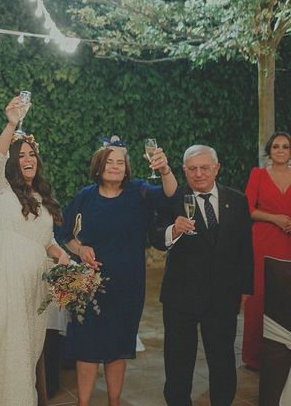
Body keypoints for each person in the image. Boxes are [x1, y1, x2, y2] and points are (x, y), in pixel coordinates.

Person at [55, 135, 177, 406]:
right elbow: (63, 232)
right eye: (109, 162)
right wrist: (80, 249)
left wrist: (165, 170)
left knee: (118, 347)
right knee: (86, 348)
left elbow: (170, 195)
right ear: (99, 167)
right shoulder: (85, 197)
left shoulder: (139, 192)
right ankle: (83, 403)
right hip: (88, 285)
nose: (115, 167)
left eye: (120, 162)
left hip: (127, 286)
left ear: (127, 168)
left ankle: (114, 402)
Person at [0, 97, 71, 406]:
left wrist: (70, 265)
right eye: (21, 155)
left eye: (32, 154)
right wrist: (12, 124)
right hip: (4, 280)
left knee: (26, 353)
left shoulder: (42, 196)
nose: (28, 159)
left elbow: (48, 242)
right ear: (13, 162)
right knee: (3, 349)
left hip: (34, 287)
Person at [152, 144, 254, 406]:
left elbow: (245, 248)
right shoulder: (172, 197)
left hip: (222, 297)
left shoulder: (238, 200)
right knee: (178, 362)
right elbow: (155, 237)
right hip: (181, 297)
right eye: (192, 169)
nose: (199, 174)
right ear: (184, 171)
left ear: (216, 168)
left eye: (204, 168)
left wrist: (245, 290)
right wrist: (173, 230)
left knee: (222, 360)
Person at [242, 131, 291, 370]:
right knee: (259, 295)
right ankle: (254, 356)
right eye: (276, 147)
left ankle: (284, 354)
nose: (280, 150)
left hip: (289, 241)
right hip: (263, 240)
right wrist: (275, 219)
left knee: (287, 296)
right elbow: (248, 209)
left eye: (285, 146)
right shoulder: (258, 175)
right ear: (269, 151)